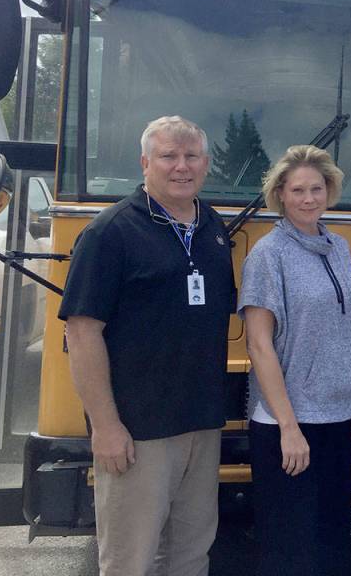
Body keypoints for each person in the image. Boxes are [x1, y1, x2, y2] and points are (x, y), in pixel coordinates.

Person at [60, 115, 235, 576]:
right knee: (130, 561)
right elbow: (81, 334)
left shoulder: (213, 227)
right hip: (137, 433)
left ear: (206, 163)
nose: (182, 166)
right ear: (145, 163)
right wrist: (106, 426)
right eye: (169, 156)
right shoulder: (109, 233)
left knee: (190, 555)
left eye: (191, 156)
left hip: (200, 425)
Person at [237, 145, 351, 576]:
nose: (308, 198)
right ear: (280, 195)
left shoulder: (338, 248)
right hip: (287, 424)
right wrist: (289, 427)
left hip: (336, 418)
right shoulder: (267, 255)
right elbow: (259, 346)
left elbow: (343, 331)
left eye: (317, 188)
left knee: (332, 542)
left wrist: (350, 404)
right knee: (291, 550)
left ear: (329, 191)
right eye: (298, 190)